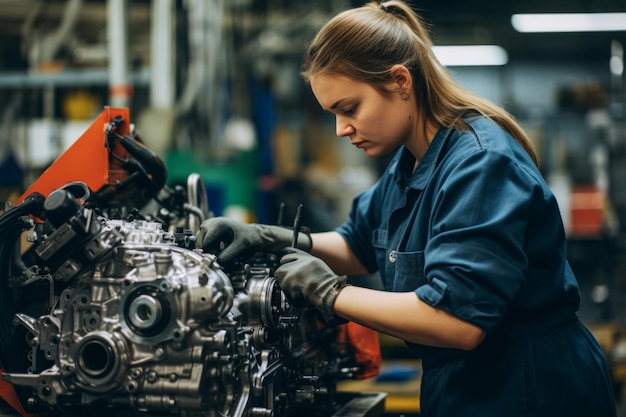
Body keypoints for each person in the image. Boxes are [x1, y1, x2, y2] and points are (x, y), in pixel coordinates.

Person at [196, 1, 617, 416]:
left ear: (400, 82)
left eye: (349, 108)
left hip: (527, 387)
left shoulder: (480, 162)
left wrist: (332, 293)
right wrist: (273, 238)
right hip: (463, 383)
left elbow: (458, 323)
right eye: (332, 114)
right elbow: (358, 244)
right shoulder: (409, 159)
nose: (341, 129)